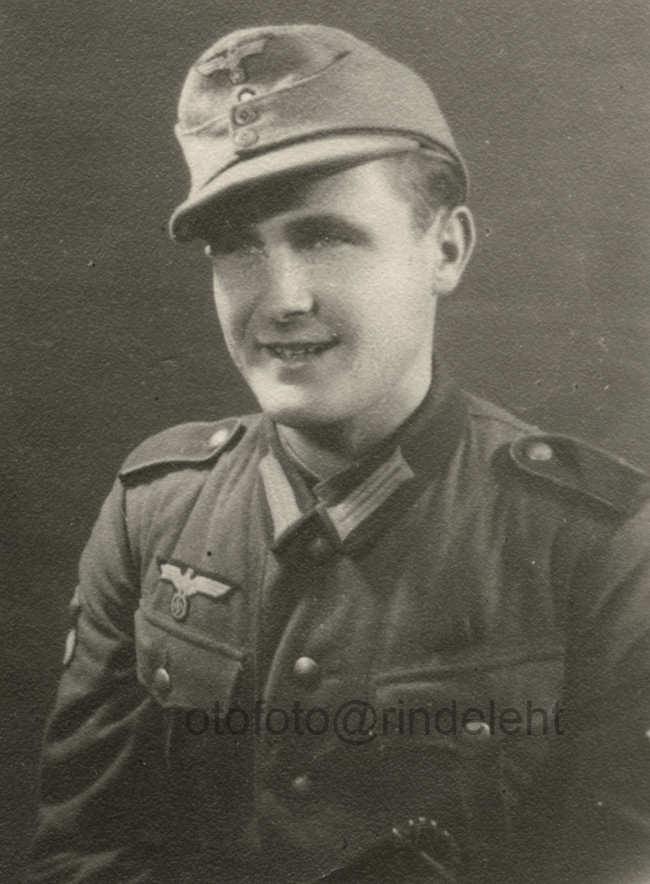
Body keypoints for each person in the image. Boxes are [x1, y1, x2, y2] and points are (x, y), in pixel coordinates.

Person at [28, 23, 650, 884]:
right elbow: (82, 853)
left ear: (445, 249)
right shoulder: (154, 509)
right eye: (237, 246)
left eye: (325, 237)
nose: (281, 298)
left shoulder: (601, 545)